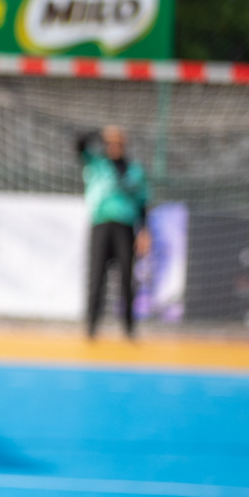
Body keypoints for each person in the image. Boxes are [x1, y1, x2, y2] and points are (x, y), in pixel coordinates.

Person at [78, 125, 150, 339]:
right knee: (97, 275)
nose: (114, 147)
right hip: (101, 224)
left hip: (125, 227)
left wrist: (144, 230)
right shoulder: (97, 164)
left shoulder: (134, 170)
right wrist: (100, 132)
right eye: (110, 143)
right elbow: (78, 143)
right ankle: (91, 326)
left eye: (118, 143)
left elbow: (142, 202)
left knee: (127, 277)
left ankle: (129, 327)